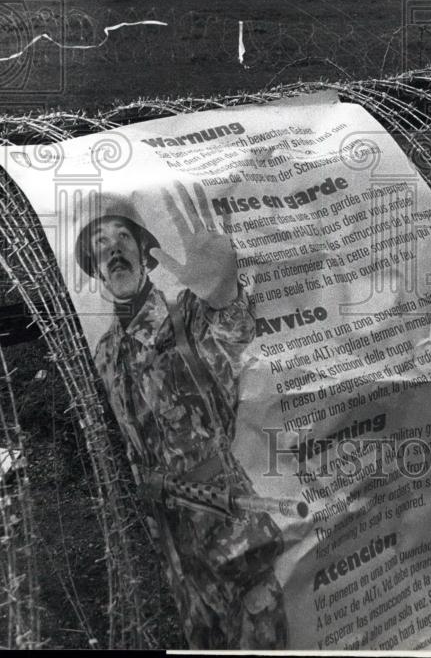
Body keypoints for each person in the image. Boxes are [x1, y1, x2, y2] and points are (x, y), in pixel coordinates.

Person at [75, 183, 287, 648]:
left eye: (122, 238)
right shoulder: (105, 356)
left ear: (144, 253)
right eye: (100, 245)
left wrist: (226, 293)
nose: (113, 251)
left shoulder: (186, 315)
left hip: (227, 529)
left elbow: (235, 336)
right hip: (172, 547)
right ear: (96, 270)